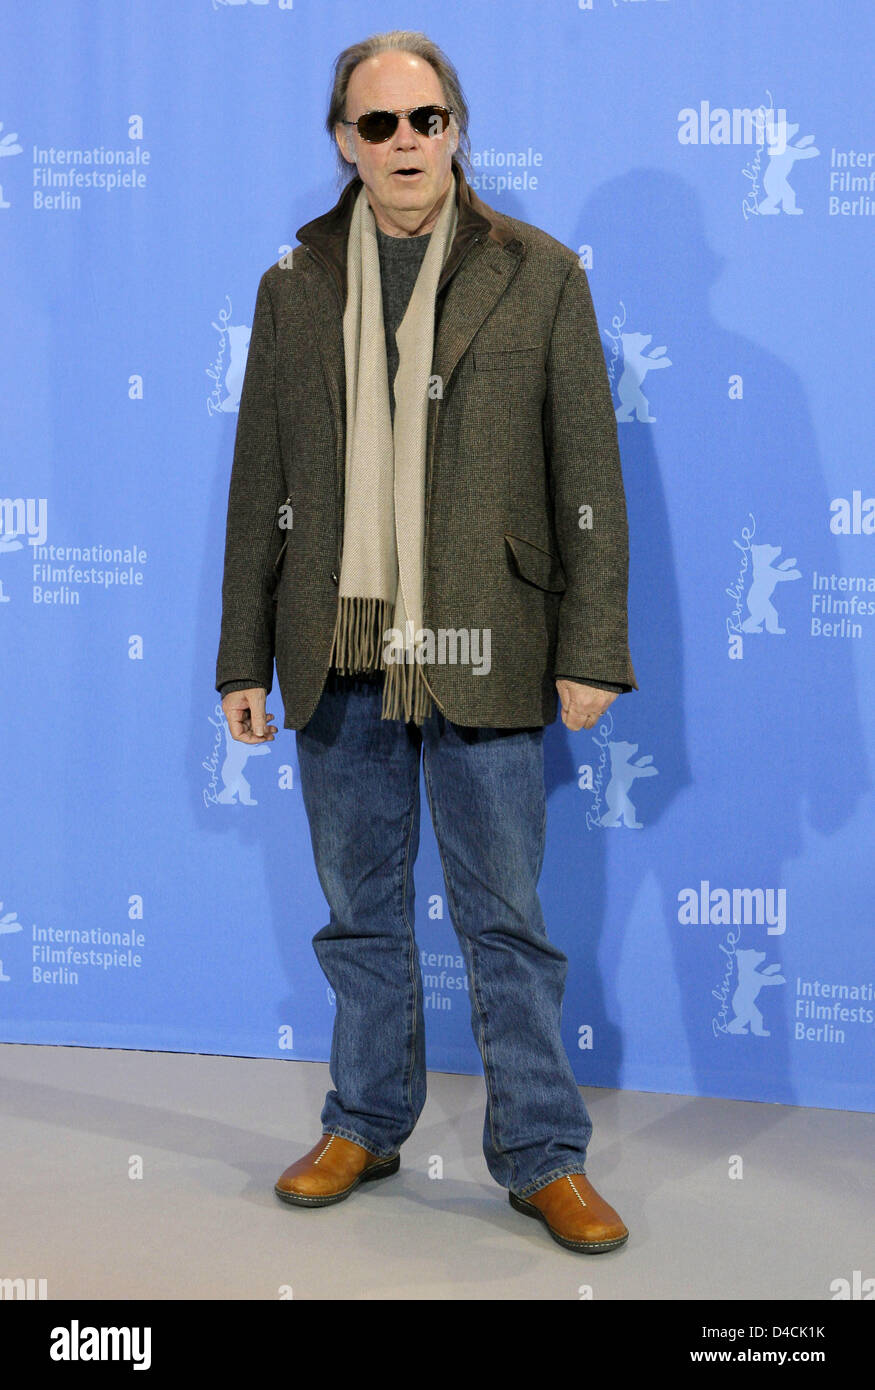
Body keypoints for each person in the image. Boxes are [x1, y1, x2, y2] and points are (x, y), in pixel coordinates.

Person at [215, 30, 637, 1254]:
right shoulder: (293, 285)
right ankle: (366, 1118)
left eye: (426, 119)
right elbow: (260, 486)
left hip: (487, 637)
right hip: (333, 642)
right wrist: (243, 656)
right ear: (343, 141)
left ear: (457, 127)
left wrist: (592, 647)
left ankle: (542, 1154)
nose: (405, 143)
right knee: (359, 912)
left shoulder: (541, 273)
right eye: (378, 124)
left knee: (502, 913)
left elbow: (586, 483)